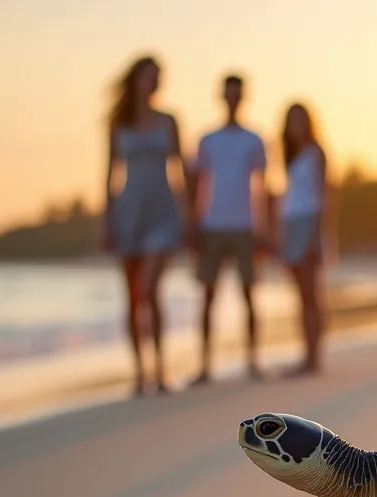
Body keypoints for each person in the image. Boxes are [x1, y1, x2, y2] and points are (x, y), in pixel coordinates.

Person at [103, 55, 185, 397]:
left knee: (150, 289)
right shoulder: (118, 124)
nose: (153, 82)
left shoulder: (169, 121)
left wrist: (188, 212)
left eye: (157, 77)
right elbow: (109, 172)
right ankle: (140, 374)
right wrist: (108, 219)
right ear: (134, 80)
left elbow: (181, 168)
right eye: (148, 76)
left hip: (163, 210)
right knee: (132, 296)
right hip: (128, 211)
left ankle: (162, 369)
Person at [186, 74, 268, 384]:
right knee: (208, 296)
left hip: (246, 225)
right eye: (228, 94)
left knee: (249, 294)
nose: (232, 99)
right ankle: (205, 366)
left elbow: (263, 185)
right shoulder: (207, 140)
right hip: (212, 225)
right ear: (221, 96)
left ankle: (252, 361)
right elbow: (197, 184)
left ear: (242, 97)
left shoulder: (254, 139)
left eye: (237, 94)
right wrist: (194, 223)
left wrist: (264, 227)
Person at [277, 102, 335, 377]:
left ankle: (314, 356)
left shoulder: (316, 152)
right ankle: (307, 354)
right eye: (291, 121)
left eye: (300, 120)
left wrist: (317, 235)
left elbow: (325, 195)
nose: (295, 126)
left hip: (309, 224)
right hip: (292, 224)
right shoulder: (289, 155)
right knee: (301, 295)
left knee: (311, 294)